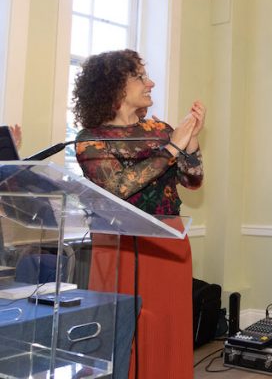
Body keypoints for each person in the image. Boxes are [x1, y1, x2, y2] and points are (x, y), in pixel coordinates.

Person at [72, 49, 205, 379]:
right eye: (140, 77)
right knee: (121, 331)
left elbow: (193, 180)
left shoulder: (161, 130)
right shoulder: (91, 139)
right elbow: (118, 187)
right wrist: (173, 148)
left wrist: (190, 145)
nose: (151, 83)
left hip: (168, 243)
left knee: (167, 330)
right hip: (118, 247)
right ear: (115, 86)